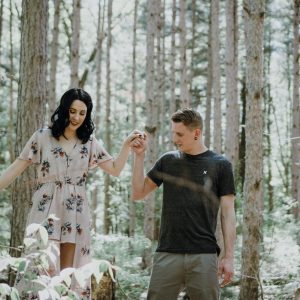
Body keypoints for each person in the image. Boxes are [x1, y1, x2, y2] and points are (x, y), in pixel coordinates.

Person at [0, 88, 143, 299]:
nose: (76, 117)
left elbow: (115, 169)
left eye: (82, 113)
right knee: (42, 266)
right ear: (64, 110)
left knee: (69, 273)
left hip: (76, 210)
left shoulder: (90, 142)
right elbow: (14, 169)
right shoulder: (43, 137)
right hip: (46, 207)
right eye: (72, 111)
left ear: (87, 115)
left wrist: (125, 146)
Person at [131, 108, 236, 300]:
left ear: (196, 133)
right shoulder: (168, 161)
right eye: (173, 133)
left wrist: (229, 257)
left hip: (204, 254)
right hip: (168, 252)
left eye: (179, 134)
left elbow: (228, 214)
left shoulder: (221, 165)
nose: (175, 139)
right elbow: (138, 193)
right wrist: (139, 157)